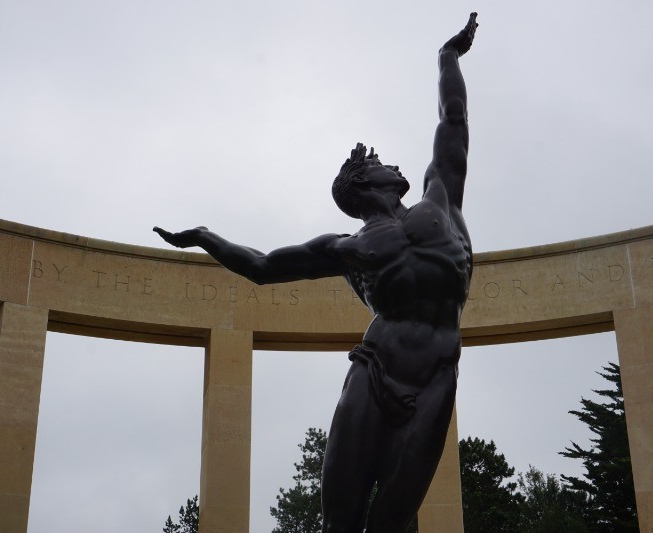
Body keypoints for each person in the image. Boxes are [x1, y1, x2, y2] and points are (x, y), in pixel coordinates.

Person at [154, 13, 478, 533]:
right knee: (340, 519)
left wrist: (448, 57)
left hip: (436, 375)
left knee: (394, 519)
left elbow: (454, 119)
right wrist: (204, 236)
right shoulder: (346, 247)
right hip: (375, 368)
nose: (392, 164)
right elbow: (262, 266)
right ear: (363, 182)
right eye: (379, 161)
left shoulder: (439, 194)